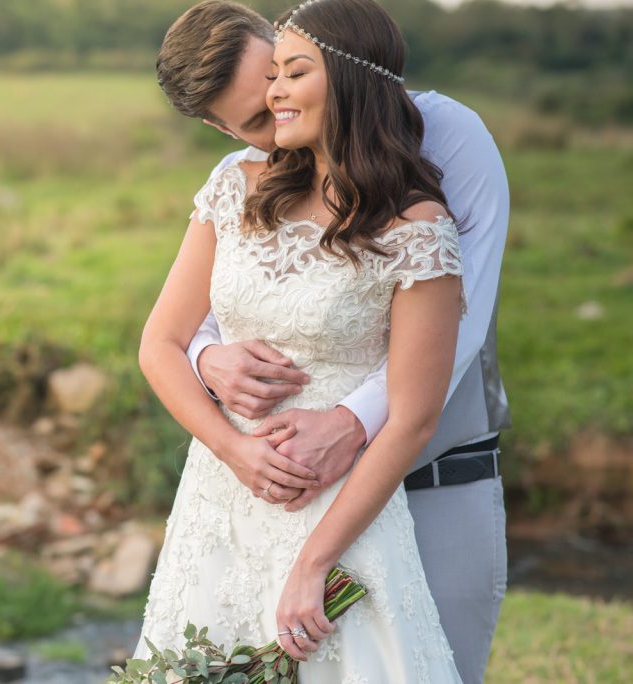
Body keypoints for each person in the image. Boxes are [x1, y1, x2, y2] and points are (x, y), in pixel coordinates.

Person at [135, 0, 505, 680]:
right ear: (224, 130)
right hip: (235, 498)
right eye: (255, 116)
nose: (276, 109)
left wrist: (348, 421)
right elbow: (185, 324)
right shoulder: (244, 180)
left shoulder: (443, 158)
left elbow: (461, 325)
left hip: (429, 471)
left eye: (286, 73)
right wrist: (211, 370)